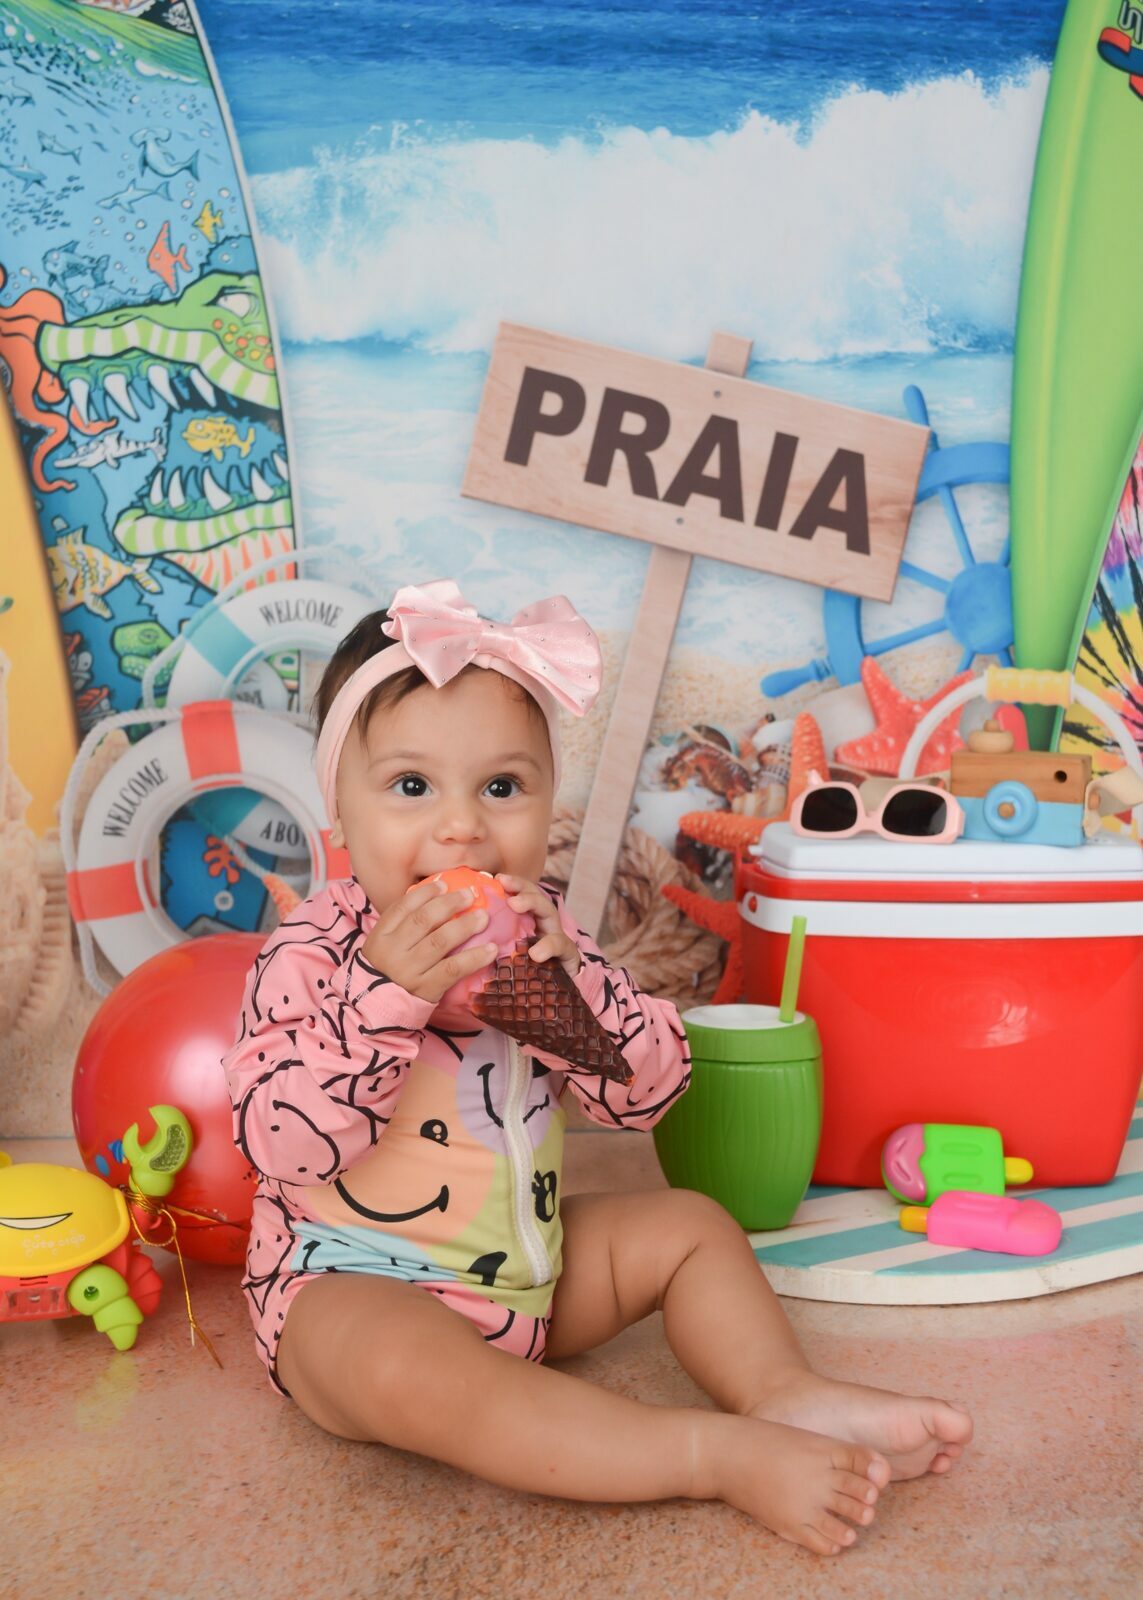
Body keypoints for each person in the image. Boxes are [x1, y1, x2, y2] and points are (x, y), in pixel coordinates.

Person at [223, 578, 972, 1556]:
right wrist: (385, 992)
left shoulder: (547, 934)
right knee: (420, 1374)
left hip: (525, 1273)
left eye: (502, 787)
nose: (462, 827)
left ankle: (783, 1392)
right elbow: (279, 1144)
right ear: (338, 808)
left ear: (547, 799)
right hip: (352, 1283)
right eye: (411, 787)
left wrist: (573, 987)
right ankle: (709, 1454)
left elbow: (649, 1094)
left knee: (691, 1227)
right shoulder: (314, 952)